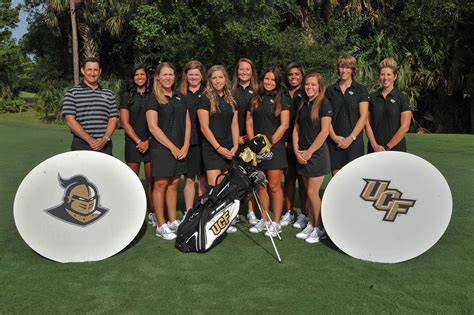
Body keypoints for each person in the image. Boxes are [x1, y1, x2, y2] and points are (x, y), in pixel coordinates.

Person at [146, 62, 191, 240]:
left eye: (171, 74)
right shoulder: (153, 98)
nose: (168, 78)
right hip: (162, 149)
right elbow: (153, 127)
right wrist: (172, 147)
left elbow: (187, 123)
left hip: (180, 148)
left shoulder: (180, 96)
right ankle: (160, 224)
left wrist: (186, 145)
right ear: (157, 76)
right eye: (164, 75)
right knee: (160, 185)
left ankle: (172, 221)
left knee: (173, 184)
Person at [246, 66, 290, 237]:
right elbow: (249, 120)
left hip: (274, 148)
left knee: (273, 186)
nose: (269, 82)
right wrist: (253, 143)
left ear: (278, 82)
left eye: (273, 80)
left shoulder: (282, 99)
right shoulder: (256, 97)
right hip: (257, 149)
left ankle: (276, 222)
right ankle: (264, 220)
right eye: (267, 79)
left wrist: (268, 143)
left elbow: (284, 124)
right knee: (260, 185)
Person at [197, 65, 239, 233]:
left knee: (225, 186)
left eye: (220, 77)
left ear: (225, 79)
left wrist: (235, 145)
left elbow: (234, 124)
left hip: (229, 149)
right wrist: (218, 147)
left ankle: (224, 219)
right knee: (213, 187)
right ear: (209, 80)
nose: (218, 80)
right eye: (214, 78)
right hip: (213, 149)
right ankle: (206, 219)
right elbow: (204, 128)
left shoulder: (231, 99)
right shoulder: (205, 98)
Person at [293, 73, 332, 243]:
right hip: (302, 154)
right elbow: (296, 128)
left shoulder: (324, 104)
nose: (309, 87)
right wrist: (296, 150)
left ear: (319, 87)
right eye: (307, 84)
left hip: (316, 155)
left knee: (312, 192)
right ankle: (311, 223)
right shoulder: (303, 103)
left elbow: (324, 132)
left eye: (313, 85)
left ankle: (319, 228)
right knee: (308, 194)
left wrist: (309, 152)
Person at [62, 57, 118, 155]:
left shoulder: (109, 94)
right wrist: (90, 140)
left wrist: (105, 139)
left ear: (100, 71)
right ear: (82, 70)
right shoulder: (72, 93)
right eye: (89, 70)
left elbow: (113, 119)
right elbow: (70, 121)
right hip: (81, 144)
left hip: (105, 145)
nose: (92, 73)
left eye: (95, 70)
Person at [119, 64, 154, 221]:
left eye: (142, 74)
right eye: (136, 75)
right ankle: (131, 212)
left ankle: (153, 213)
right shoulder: (127, 96)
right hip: (133, 143)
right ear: (133, 78)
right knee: (132, 181)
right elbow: (125, 123)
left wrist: (148, 141)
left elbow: (159, 123)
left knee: (151, 180)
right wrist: (139, 141)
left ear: (147, 76)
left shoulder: (153, 95)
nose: (139, 77)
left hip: (152, 143)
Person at [325, 55, 368, 175]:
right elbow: (326, 117)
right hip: (334, 141)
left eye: (347, 67)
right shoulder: (330, 90)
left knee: (354, 177)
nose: (344, 70)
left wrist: (351, 138)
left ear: (353, 70)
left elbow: (363, 117)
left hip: (354, 142)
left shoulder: (361, 90)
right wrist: (334, 137)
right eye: (341, 67)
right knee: (337, 177)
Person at [231, 58, 259, 225]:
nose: (244, 72)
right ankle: (233, 212)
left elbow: (258, 117)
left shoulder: (257, 90)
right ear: (237, 71)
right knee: (234, 178)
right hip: (233, 141)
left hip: (251, 141)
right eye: (241, 69)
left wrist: (250, 136)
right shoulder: (230, 90)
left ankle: (250, 211)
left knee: (251, 177)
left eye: (247, 69)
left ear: (252, 71)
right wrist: (236, 138)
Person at [281, 62, 309, 229]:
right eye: (291, 74)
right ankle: (289, 212)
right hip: (284, 143)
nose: (293, 77)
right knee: (289, 178)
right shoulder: (282, 92)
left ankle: (304, 213)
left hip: (301, 142)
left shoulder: (306, 92)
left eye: (297, 74)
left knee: (303, 179)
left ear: (302, 76)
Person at [366, 58, 412, 152]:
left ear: (395, 77)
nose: (385, 78)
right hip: (374, 150)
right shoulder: (372, 97)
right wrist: (375, 145)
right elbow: (367, 124)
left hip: (396, 150)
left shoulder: (402, 98)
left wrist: (388, 147)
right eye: (382, 74)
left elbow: (405, 127)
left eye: (388, 74)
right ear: (379, 76)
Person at [180, 60, 207, 215]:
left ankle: (203, 209)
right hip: (188, 142)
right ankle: (189, 211)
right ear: (186, 75)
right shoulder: (180, 94)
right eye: (191, 74)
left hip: (205, 142)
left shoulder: (207, 93)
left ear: (201, 75)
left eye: (197, 74)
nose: (194, 77)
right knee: (189, 179)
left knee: (203, 178)